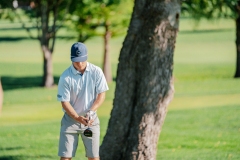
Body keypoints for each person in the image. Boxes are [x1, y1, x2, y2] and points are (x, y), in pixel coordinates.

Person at [57, 42, 109, 160]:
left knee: (94, 157)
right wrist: (77, 118)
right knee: (65, 157)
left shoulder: (96, 72)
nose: (79, 63)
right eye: (76, 60)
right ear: (71, 58)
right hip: (70, 121)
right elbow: (64, 102)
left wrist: (91, 111)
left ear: (86, 57)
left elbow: (101, 95)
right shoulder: (65, 77)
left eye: (82, 60)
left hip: (91, 120)